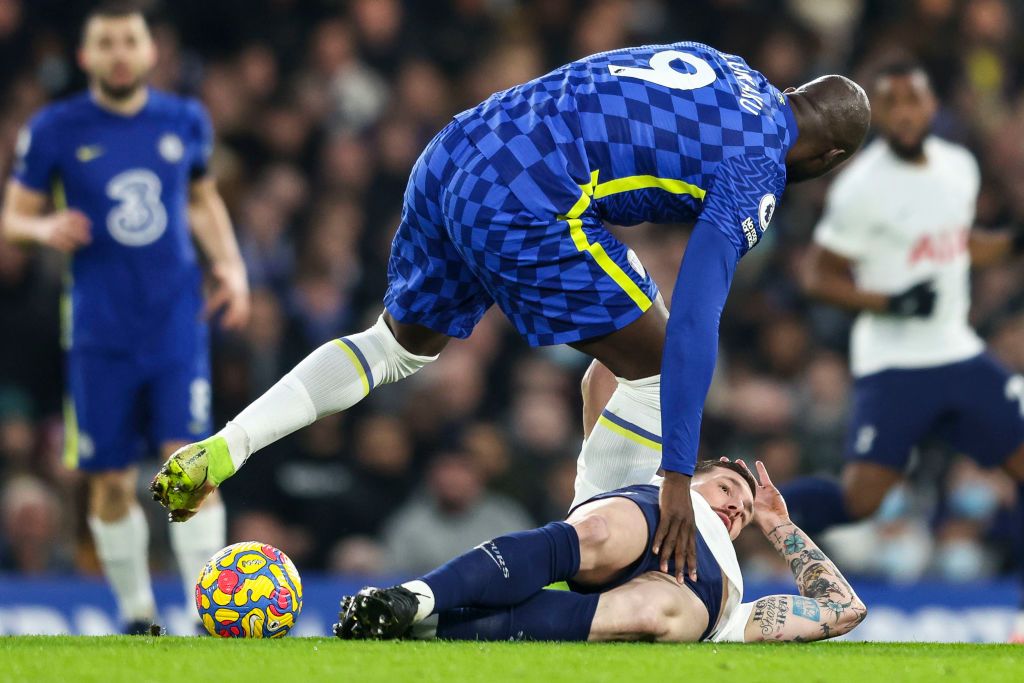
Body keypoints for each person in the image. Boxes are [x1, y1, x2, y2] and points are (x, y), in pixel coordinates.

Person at [152, 40, 869, 583]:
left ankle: (228, 446)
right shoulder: (761, 162)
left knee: (395, 344)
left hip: (463, 143)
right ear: (829, 155)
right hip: (531, 194)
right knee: (655, 362)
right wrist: (677, 476)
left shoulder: (724, 64)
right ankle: (592, 569)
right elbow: (695, 322)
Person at [1, 1, 249, 633]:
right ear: (86, 57)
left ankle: (206, 614)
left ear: (149, 51)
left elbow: (201, 198)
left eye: (128, 40)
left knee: (188, 464)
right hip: (97, 331)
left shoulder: (184, 120)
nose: (118, 52)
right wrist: (42, 226)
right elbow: (12, 216)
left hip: (174, 322)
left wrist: (230, 266)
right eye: (105, 42)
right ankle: (138, 615)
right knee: (109, 480)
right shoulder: (55, 128)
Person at [777, 61, 1024, 640]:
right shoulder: (862, 187)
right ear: (880, 115)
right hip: (893, 364)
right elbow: (818, 275)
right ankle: (738, 515)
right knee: (860, 500)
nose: (907, 112)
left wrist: (1011, 243)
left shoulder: (959, 168)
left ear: (930, 106)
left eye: (915, 100)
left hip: (957, 352)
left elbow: (957, 242)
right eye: (894, 104)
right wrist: (889, 302)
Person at [334, 459, 867, 643]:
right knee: (595, 534)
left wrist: (778, 525)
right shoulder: (660, 486)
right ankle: (413, 596)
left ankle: (408, 624)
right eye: (729, 489)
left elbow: (844, 610)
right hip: (655, 517)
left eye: (745, 513)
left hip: (691, 594)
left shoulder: (736, 606)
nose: (737, 508)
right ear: (688, 475)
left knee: (648, 613)